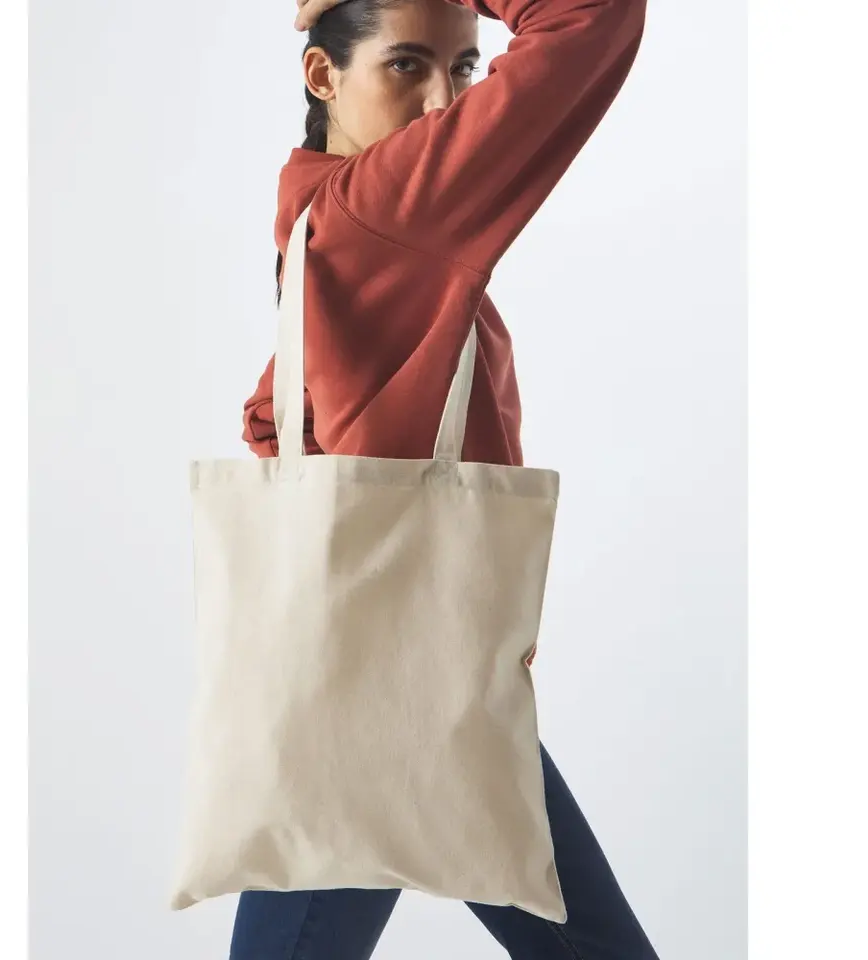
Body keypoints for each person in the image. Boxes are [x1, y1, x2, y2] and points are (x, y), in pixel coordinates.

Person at [234, 1, 657, 957]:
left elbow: (271, 412)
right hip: (394, 686)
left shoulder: (315, 214)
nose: (441, 105)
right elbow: (592, 15)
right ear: (322, 76)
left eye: (465, 69)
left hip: (406, 670)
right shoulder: (389, 206)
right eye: (407, 65)